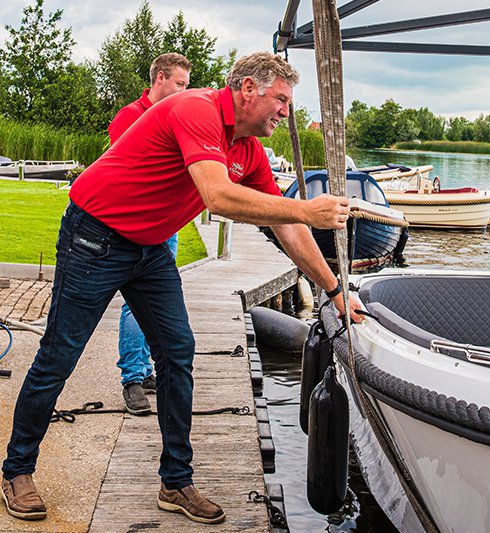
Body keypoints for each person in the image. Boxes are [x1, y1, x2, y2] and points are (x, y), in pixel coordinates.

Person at [2, 51, 362, 525]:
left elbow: (288, 231)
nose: (285, 112)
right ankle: (17, 471)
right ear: (248, 89)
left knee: (178, 352)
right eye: (281, 99)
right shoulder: (198, 109)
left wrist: (336, 291)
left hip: (150, 250)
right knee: (58, 356)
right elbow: (218, 197)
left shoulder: (248, 151)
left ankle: (175, 481)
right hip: (95, 237)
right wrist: (306, 210)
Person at [109, 53, 192, 416]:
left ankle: (143, 372)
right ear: (160, 77)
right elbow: (123, 172)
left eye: (187, 86)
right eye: (180, 84)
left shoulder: (179, 115)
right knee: (133, 304)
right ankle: (131, 378)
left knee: (155, 304)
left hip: (167, 227)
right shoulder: (130, 116)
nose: (183, 91)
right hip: (134, 226)